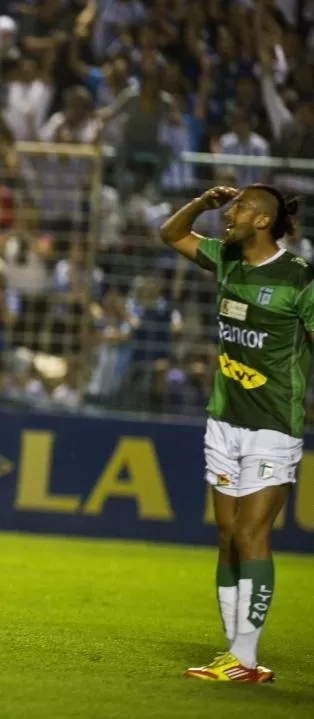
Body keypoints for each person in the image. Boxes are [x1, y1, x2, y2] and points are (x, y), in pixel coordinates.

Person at [160, 183, 307, 682]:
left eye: (240, 206)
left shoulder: (300, 279)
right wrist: (202, 202)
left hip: (273, 427)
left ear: (263, 221)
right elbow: (171, 233)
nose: (231, 212)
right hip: (224, 421)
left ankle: (245, 660)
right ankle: (235, 652)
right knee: (227, 537)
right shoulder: (226, 257)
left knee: (251, 533)